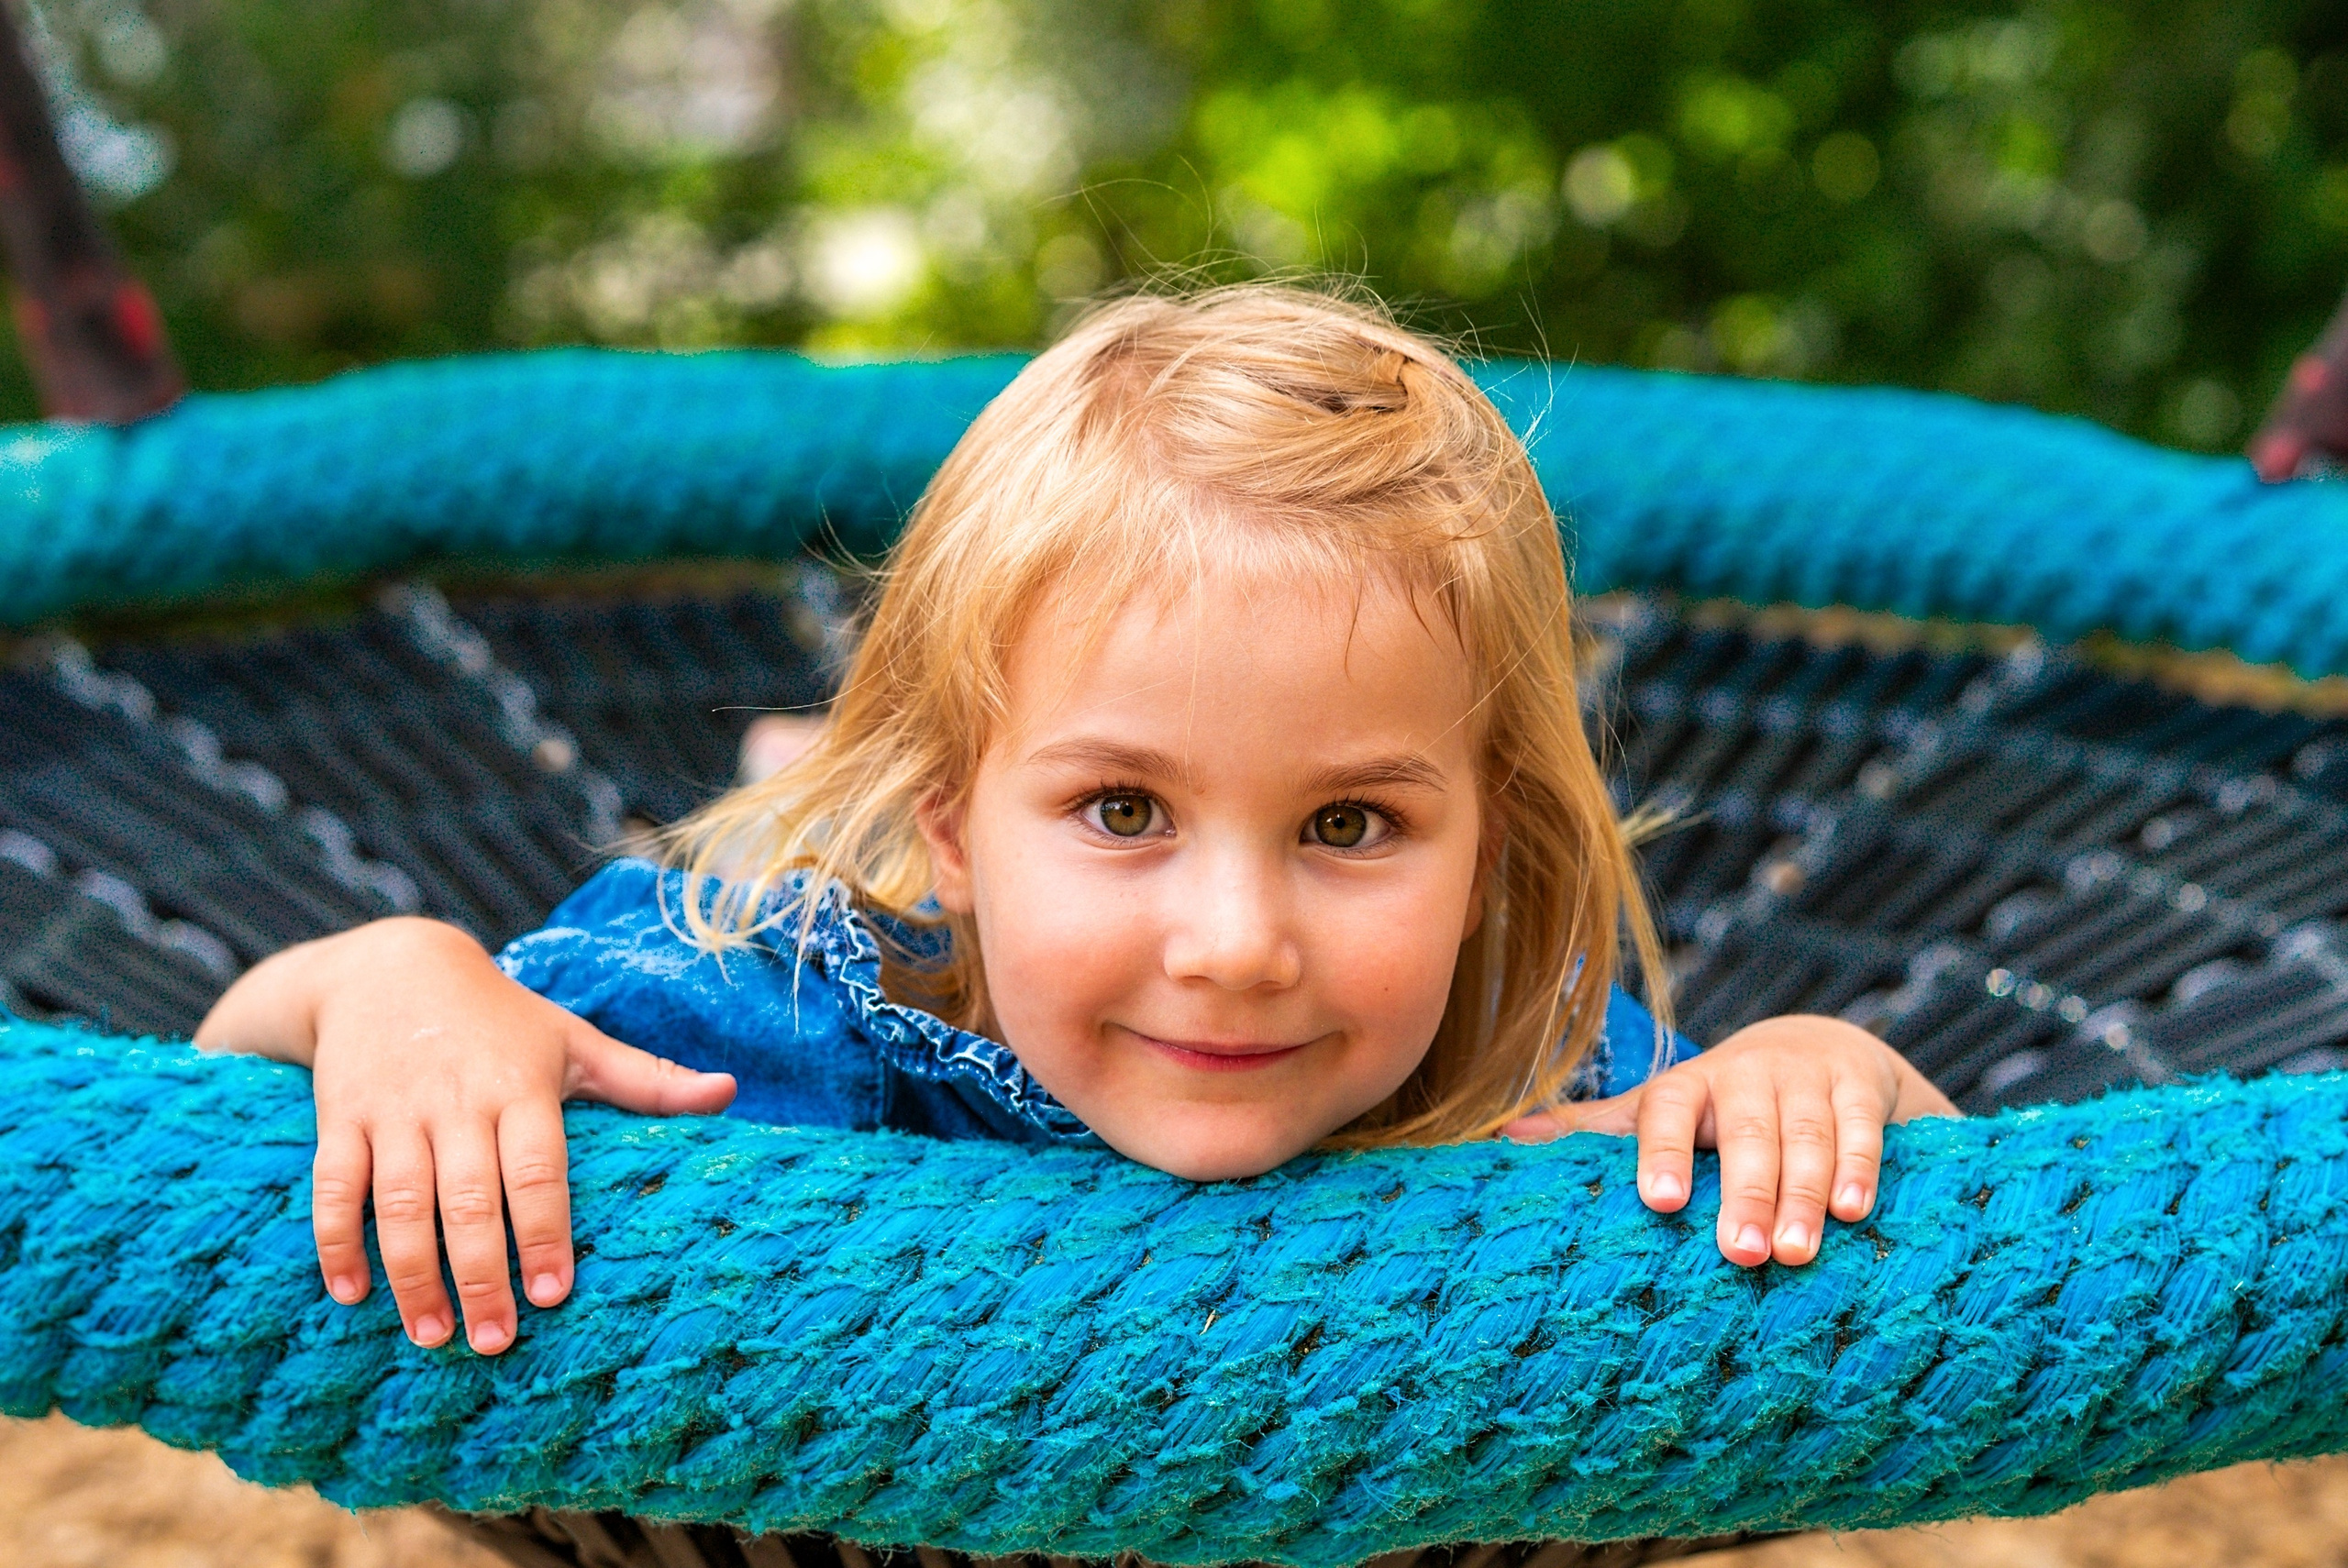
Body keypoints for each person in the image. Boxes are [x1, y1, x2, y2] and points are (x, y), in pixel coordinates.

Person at [195, 284, 1954, 1359]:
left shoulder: (1530, 1055)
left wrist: (1819, 1065)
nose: (1236, 945)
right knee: (761, 855)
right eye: (1127, 806)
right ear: (960, 828)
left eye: (1350, 824)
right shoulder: (764, 1017)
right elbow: (229, 1063)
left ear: (1487, 844)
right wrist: (401, 979)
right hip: (865, 917)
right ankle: (833, 773)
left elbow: (1962, 1217)